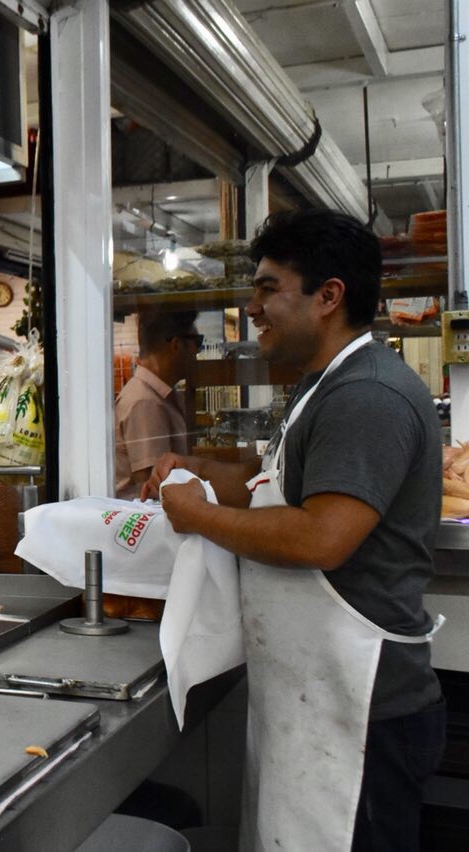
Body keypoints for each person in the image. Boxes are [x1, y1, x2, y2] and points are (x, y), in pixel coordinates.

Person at [144, 209, 444, 851]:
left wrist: (198, 515)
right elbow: (269, 484)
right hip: (316, 701)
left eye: (268, 288)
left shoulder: (368, 395)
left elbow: (320, 537)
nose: (252, 308)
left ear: (328, 296)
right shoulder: (322, 386)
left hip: (362, 711)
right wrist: (196, 470)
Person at [114, 310, 200, 500]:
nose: (197, 351)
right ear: (176, 345)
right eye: (198, 341)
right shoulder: (145, 403)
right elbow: (153, 488)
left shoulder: (159, 396)